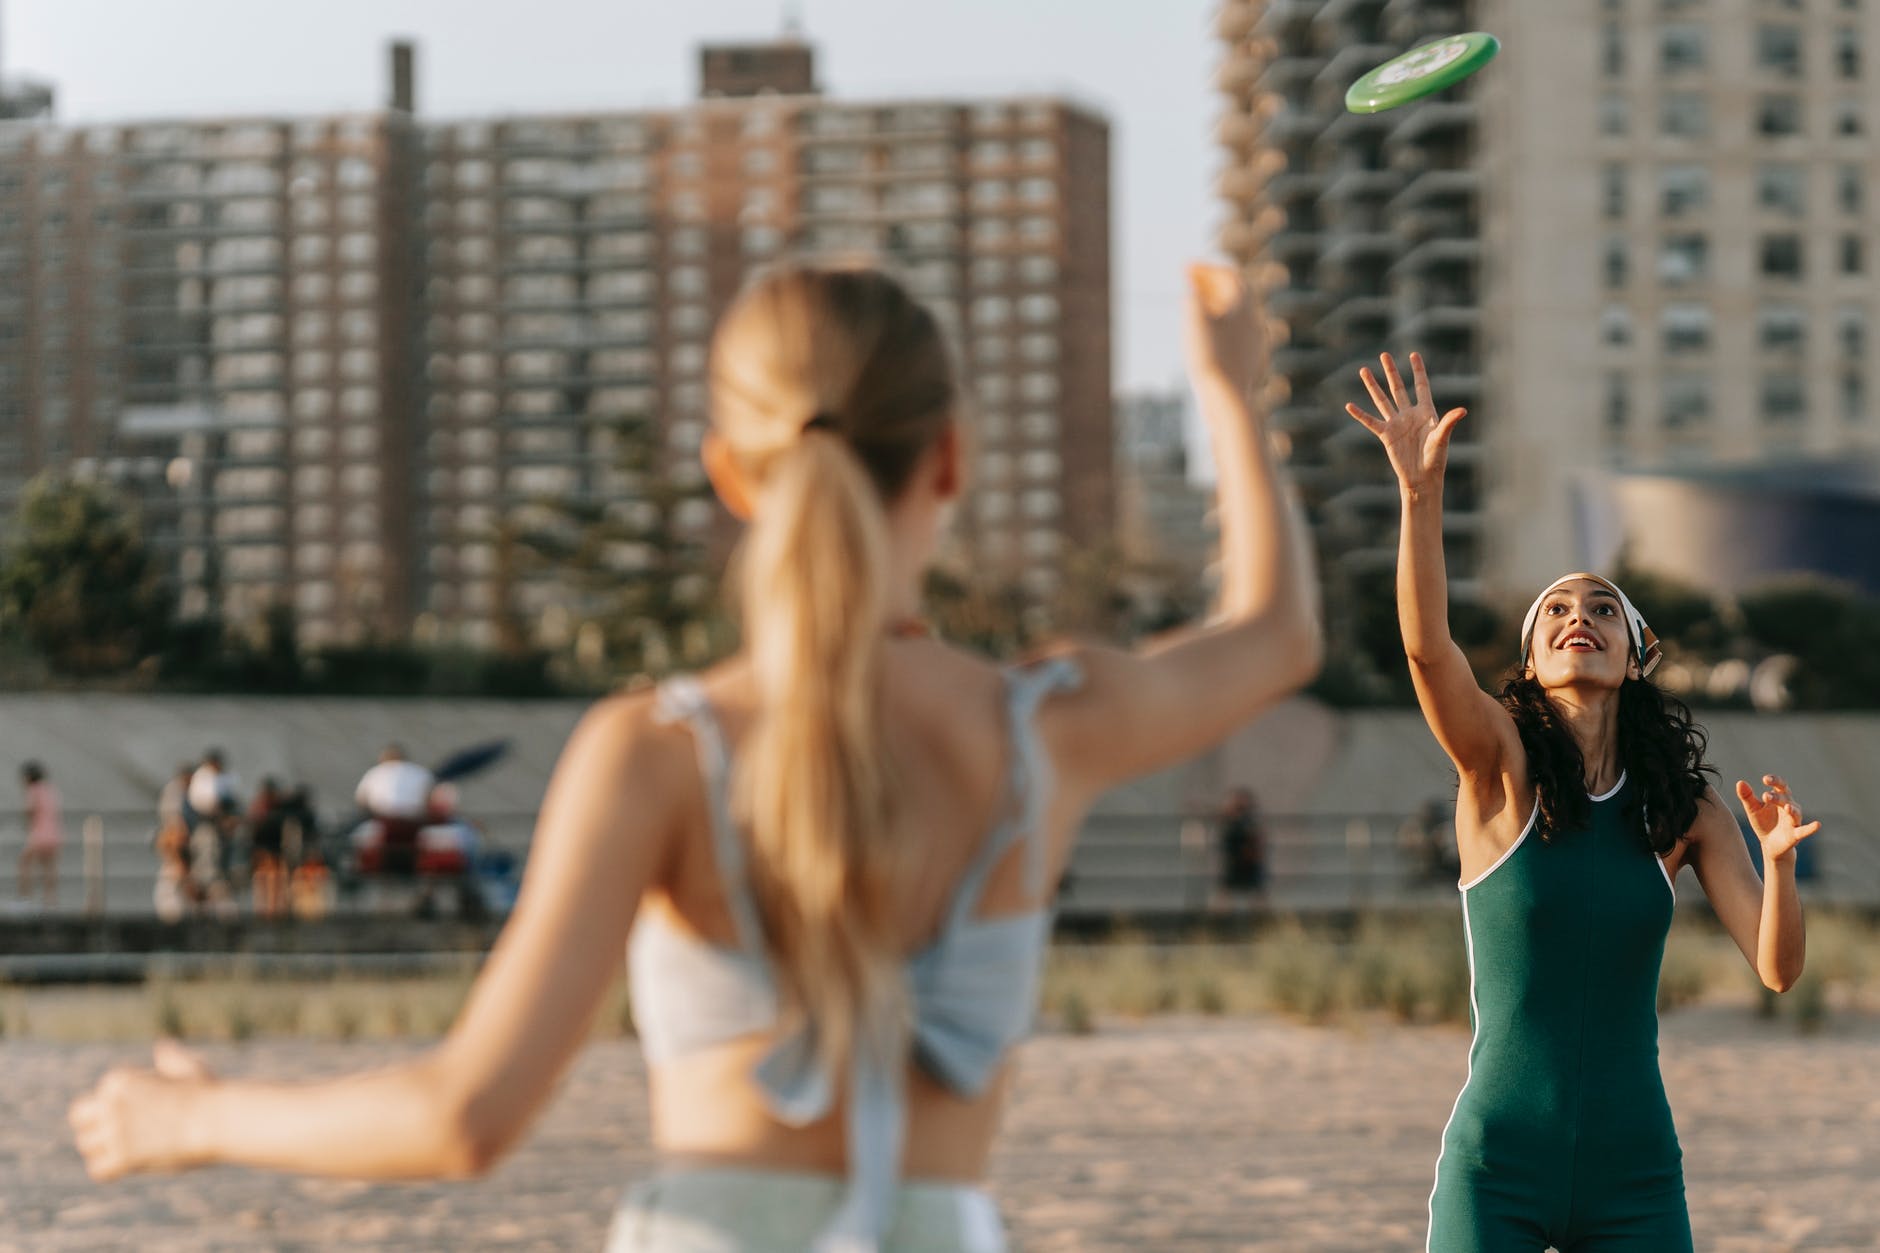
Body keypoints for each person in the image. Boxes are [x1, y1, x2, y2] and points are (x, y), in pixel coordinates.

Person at [68, 260, 1321, 1251]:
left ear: (729, 471)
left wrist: (195, 1114)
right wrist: (1224, 382)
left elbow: (464, 1117)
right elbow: (1273, 634)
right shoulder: (1041, 725)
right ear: (949, 456)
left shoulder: (658, 751)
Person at [1344, 351, 1817, 1253]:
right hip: (1498, 1167)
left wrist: (1782, 865)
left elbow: (1779, 970)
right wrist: (1418, 495)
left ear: (1635, 653)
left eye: (1602, 608)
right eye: (1557, 609)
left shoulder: (1686, 812)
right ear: (1530, 662)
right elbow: (1426, 649)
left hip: (1634, 1172)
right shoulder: (1496, 770)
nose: (1579, 618)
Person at [354, 744, 436, 879]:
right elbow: (431, 802)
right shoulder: (421, 772)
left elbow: (361, 802)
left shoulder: (375, 772)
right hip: (413, 825)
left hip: (384, 824)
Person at [17, 761, 63, 908]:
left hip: (40, 833)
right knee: (49, 867)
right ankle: (50, 900)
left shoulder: (33, 790)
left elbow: (29, 809)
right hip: (55, 832)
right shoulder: (49, 790)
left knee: (24, 863)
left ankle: (26, 899)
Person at [1214, 786, 1267, 906]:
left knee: (1257, 895)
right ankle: (1216, 922)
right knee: (1225, 894)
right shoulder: (1232, 821)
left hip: (1247, 863)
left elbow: (1257, 842)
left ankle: (1265, 921)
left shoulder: (1249, 822)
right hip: (1235, 862)